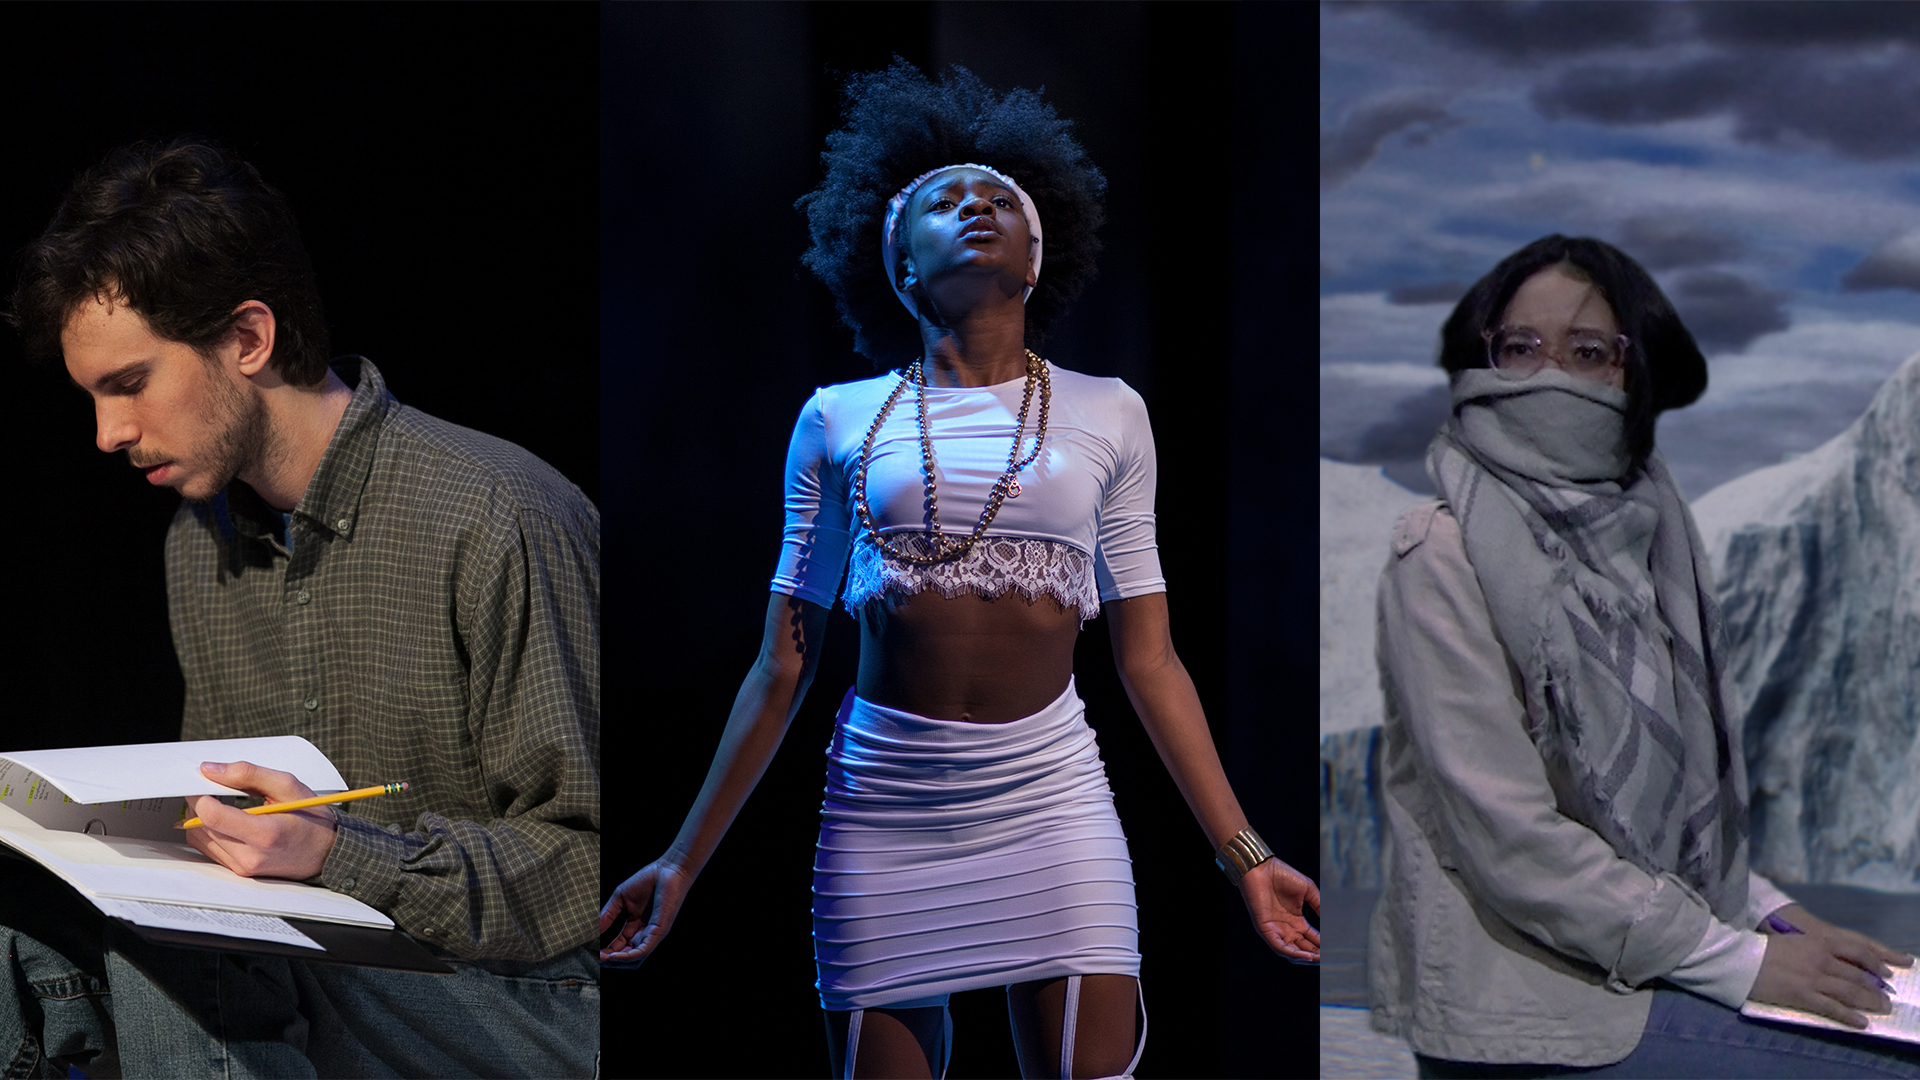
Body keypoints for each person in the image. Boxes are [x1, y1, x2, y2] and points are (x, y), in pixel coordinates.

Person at [600, 61, 1317, 1079]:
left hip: (1051, 797)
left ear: (1038, 253)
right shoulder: (836, 418)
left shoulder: (1111, 410)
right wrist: (680, 860)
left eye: (1001, 201)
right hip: (884, 804)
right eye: (946, 200)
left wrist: (1247, 857)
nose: (977, 208)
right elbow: (782, 666)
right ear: (896, 258)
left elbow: (1150, 662)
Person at [3, 140, 599, 1077]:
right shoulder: (197, 540)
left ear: (247, 338)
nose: (108, 433)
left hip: (521, 995)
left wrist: (339, 853)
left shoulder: (497, 514)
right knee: (16, 951)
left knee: (195, 958)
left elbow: (586, 868)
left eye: (129, 384)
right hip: (311, 963)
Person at [1371, 233, 1920, 1078]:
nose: (1548, 372)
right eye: (1520, 347)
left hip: (1644, 968)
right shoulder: (1442, 553)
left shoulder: (1651, 539)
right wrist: (1747, 963)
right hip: (1535, 1006)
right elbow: (1512, 840)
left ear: (1634, 375)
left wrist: (1775, 918)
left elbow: (1665, 827)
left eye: (1588, 351)